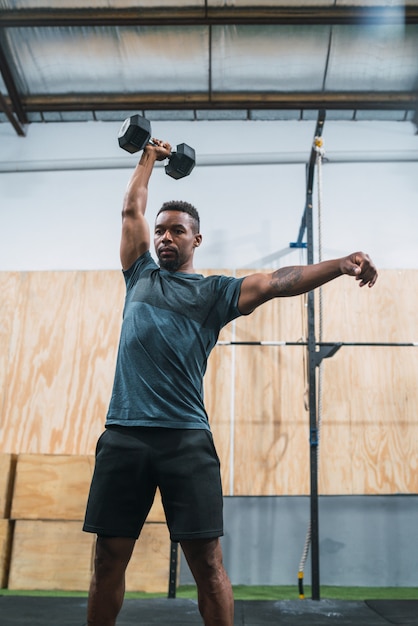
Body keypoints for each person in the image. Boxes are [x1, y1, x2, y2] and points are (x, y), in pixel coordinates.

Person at [83, 138, 378, 626]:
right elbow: (129, 209)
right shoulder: (139, 276)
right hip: (124, 436)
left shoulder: (216, 293)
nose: (164, 238)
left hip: (186, 442)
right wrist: (148, 159)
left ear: (196, 240)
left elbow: (280, 281)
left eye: (176, 231)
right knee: (108, 560)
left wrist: (339, 265)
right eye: (160, 231)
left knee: (208, 565)